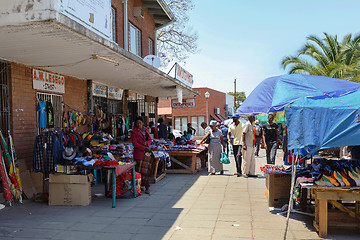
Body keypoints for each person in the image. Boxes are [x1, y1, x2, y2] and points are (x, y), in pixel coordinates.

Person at [131, 117, 153, 194]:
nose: (139, 124)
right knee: (139, 171)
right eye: (137, 123)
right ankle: (138, 187)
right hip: (139, 153)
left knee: (147, 171)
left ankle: (147, 186)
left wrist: (147, 143)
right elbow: (135, 143)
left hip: (147, 154)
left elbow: (150, 139)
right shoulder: (134, 132)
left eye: (140, 123)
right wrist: (144, 148)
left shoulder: (146, 130)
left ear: (142, 123)